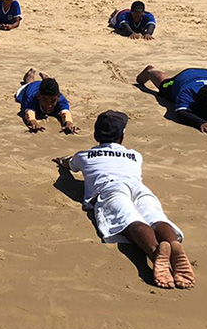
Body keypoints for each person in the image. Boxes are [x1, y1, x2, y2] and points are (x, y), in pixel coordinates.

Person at [54, 111, 193, 289]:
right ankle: (173, 245)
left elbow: (70, 164)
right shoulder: (135, 155)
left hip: (111, 188)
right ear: (121, 137)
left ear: (96, 135)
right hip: (139, 187)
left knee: (129, 219)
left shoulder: (84, 156)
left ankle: (155, 253)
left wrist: (61, 162)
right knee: (155, 217)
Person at [136, 65, 207, 136]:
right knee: (164, 84)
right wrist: (201, 122)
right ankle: (151, 71)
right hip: (186, 76)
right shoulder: (187, 92)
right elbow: (181, 112)